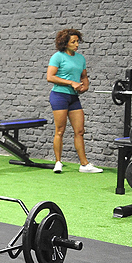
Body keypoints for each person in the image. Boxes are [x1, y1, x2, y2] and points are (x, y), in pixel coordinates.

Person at [47, 29, 102, 174]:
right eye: (73, 42)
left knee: (79, 130)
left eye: (78, 41)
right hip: (59, 95)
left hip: (73, 98)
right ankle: (58, 162)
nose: (77, 44)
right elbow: (50, 77)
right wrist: (71, 83)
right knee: (60, 130)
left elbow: (84, 76)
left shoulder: (80, 58)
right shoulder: (57, 57)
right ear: (65, 43)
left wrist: (86, 84)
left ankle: (84, 164)